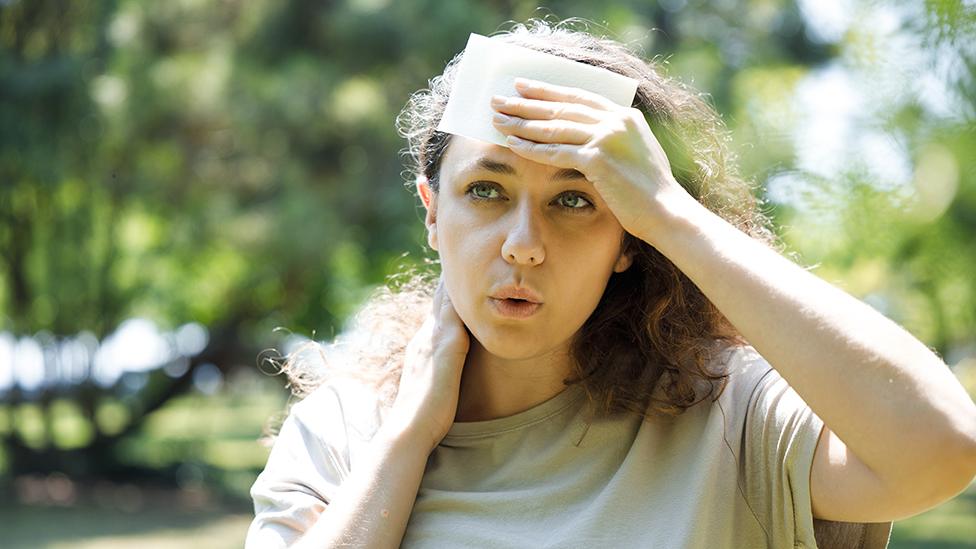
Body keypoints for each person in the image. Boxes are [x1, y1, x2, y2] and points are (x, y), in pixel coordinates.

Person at [245, 19, 976, 549]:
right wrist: (409, 434)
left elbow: (942, 446)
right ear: (432, 213)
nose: (524, 245)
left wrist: (671, 214)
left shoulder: (732, 416)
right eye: (487, 191)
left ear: (628, 239)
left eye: (575, 199)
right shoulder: (345, 432)